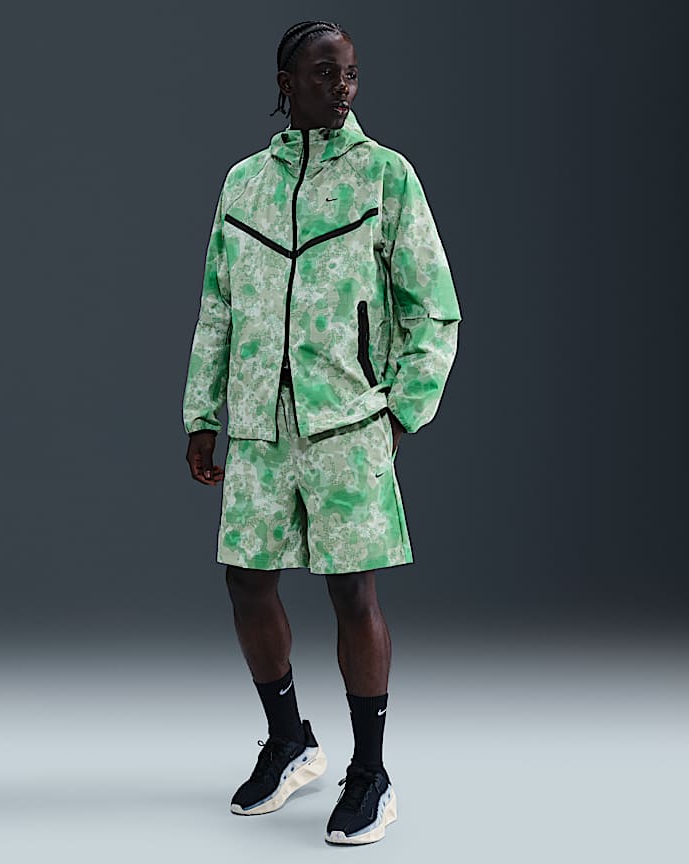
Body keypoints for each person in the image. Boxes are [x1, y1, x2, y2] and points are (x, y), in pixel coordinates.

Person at [182, 20, 461, 845]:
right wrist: (202, 414)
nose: (343, 88)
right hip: (260, 425)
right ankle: (290, 742)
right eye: (325, 73)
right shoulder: (243, 184)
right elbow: (217, 308)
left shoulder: (385, 176)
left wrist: (403, 410)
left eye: (350, 74)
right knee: (246, 580)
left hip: (346, 421)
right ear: (286, 82)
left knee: (351, 592)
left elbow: (434, 309)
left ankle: (371, 772)